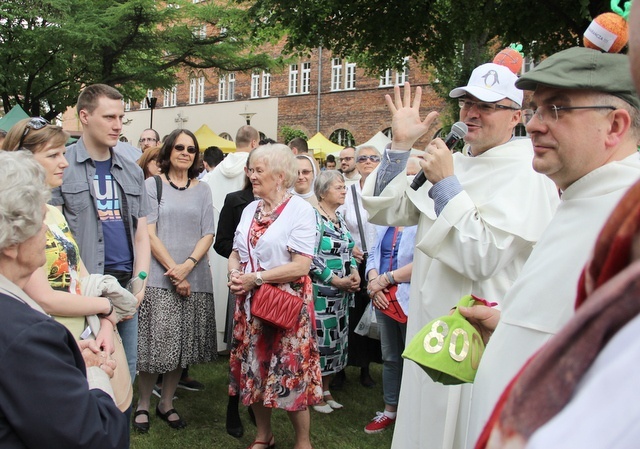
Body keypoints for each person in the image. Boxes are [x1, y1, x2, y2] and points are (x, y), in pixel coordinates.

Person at [360, 70, 560, 449]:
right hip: (429, 326)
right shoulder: (453, 161)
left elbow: (481, 257)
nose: (471, 113)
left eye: (486, 106)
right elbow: (386, 210)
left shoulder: (528, 172)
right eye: (466, 103)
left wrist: (447, 185)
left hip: (480, 335)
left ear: (516, 115)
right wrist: (400, 147)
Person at [459, 47, 640, 447]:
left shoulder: (629, 218)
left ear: (614, 126)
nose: (535, 125)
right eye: (538, 109)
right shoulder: (585, 194)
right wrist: (509, 326)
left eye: (556, 110)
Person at [3, 117, 138, 414]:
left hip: (87, 334)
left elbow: (81, 275)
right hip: (52, 341)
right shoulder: (21, 220)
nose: (64, 162)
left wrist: (106, 321)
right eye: (53, 155)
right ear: (22, 161)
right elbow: (44, 296)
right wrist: (105, 308)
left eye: (64, 153)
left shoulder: (52, 211)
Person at [51, 84, 151, 385]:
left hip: (124, 286)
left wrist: (140, 284)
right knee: (81, 374)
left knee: (124, 374)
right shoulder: (61, 165)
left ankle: (118, 431)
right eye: (109, 117)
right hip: (81, 289)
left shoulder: (131, 169)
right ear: (84, 116)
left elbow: (141, 234)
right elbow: (54, 233)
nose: (117, 125)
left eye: (121, 117)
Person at [228, 143, 322, 449]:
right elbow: (235, 252)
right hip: (250, 305)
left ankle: (303, 441)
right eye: (251, 170)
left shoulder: (301, 211)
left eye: (258, 170)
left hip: (286, 307)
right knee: (253, 371)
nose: (252, 176)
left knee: (291, 371)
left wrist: (255, 278)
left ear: (280, 176)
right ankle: (264, 435)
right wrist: (235, 273)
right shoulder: (248, 209)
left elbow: (301, 266)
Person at [134, 129, 216, 432]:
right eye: (179, 147)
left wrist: (188, 266)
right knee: (154, 346)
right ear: (168, 151)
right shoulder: (151, 185)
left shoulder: (203, 189)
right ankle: (142, 403)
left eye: (191, 149)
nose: (185, 152)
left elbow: (209, 232)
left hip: (194, 277)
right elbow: (149, 233)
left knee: (181, 346)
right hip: (159, 277)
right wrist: (174, 270)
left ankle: (166, 402)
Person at [203, 125, 260, 352]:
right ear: (255, 142)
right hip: (235, 255)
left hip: (222, 250)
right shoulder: (257, 166)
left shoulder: (213, 174)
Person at [310, 170, 361, 413]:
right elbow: (309, 257)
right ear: (322, 192)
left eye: (344, 186)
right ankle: (315, 392)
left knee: (336, 342)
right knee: (320, 342)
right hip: (320, 293)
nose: (344, 190)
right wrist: (335, 280)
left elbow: (349, 250)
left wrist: (354, 273)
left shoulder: (338, 217)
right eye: (338, 187)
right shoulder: (314, 218)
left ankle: (327, 388)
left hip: (341, 296)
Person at [213, 153, 255, 439]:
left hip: (271, 285)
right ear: (248, 170)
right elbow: (221, 242)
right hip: (242, 282)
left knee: (262, 349)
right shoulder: (235, 200)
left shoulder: (285, 205)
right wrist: (241, 261)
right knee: (238, 350)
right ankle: (233, 406)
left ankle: (257, 402)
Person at [335, 145, 383, 390]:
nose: (367, 161)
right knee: (350, 314)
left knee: (372, 312)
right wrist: (349, 244)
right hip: (354, 261)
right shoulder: (348, 191)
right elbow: (336, 220)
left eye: (373, 158)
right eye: (362, 158)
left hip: (379, 263)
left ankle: (366, 368)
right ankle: (341, 368)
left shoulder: (386, 191)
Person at [363, 223, 417, 434]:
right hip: (383, 299)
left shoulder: (423, 221)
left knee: (414, 358)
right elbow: (372, 257)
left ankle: (413, 411)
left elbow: (423, 264)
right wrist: (374, 285)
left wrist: (386, 279)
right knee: (390, 356)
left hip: (410, 299)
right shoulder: (385, 223)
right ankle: (390, 410)